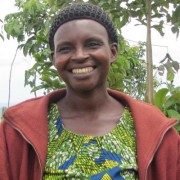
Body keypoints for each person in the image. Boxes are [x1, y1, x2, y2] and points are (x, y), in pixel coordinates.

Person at [0, 2, 179, 180]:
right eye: (66, 48)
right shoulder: (16, 132)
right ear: (54, 59)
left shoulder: (156, 131)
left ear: (113, 52)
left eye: (92, 44)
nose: (79, 55)